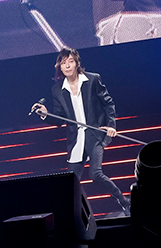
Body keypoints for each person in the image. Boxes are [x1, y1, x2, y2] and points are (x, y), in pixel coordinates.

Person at [31, 47, 130, 216]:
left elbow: (108, 103)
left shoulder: (92, 80)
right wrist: (45, 114)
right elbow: (60, 119)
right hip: (76, 138)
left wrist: (111, 125)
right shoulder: (57, 90)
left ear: (77, 63)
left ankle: (124, 201)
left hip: (94, 133)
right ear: (60, 67)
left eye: (70, 61)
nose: (67, 66)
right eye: (63, 63)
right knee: (71, 181)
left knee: (95, 174)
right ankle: (77, 216)